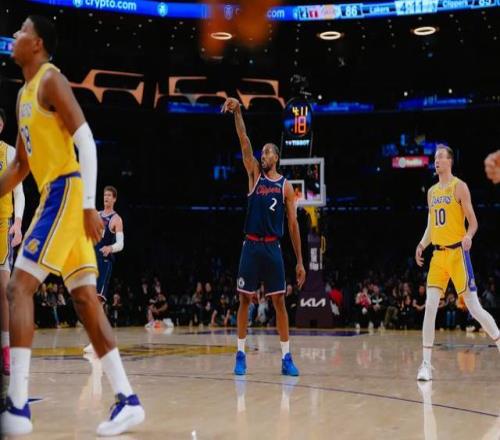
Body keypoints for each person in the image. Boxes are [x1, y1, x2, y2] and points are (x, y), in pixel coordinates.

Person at [0, 16, 144, 436]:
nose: (15, 36)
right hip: (54, 193)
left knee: (18, 287)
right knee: (84, 300)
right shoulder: (24, 95)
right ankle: (128, 400)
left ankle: (17, 407)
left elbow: (86, 141)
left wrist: (88, 207)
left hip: (65, 192)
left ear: (38, 44)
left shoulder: (50, 79)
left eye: (23, 31)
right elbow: (20, 166)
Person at [222, 97, 306, 376]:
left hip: (273, 248)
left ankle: (286, 358)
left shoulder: (285, 187)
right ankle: (240, 354)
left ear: (276, 158)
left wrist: (300, 261)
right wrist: (237, 112)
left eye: (268, 153)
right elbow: (244, 140)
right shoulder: (254, 175)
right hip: (251, 245)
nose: (263, 155)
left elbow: (293, 225)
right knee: (244, 300)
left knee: (279, 302)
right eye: (263, 153)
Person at [415, 144, 500, 381]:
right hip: (438, 256)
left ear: (450, 161)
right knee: (430, 306)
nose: (436, 160)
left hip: (457, 254)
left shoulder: (459, 187)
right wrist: (422, 244)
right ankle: (426, 364)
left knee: (474, 308)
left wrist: (468, 236)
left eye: (441, 157)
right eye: (435, 157)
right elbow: (432, 225)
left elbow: (473, 222)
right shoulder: (431, 192)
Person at [0, 108, 25, 375]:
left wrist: (17, 223)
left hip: (2, 225)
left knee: (2, 289)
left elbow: (19, 193)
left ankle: (6, 349)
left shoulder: (8, 152)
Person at [84, 185, 124, 353]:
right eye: (104, 195)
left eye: (109, 195)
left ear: (114, 199)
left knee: (98, 301)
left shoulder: (116, 219)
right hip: (92, 260)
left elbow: (121, 244)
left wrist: (110, 248)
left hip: (104, 261)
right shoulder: (97, 215)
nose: (106, 198)